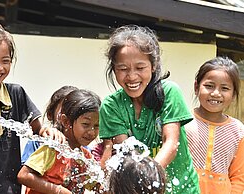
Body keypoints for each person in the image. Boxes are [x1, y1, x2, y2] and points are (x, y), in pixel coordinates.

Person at [98, 25, 200, 193]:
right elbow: (126, 154)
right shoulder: (111, 105)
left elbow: (171, 144)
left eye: (140, 68)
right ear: (113, 69)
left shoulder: (169, 93)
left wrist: (148, 178)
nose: (131, 76)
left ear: (153, 66)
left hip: (181, 189)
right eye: (123, 69)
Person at [0, 23, 64, 194]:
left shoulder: (15, 94)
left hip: (8, 189)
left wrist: (50, 132)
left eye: (5, 61)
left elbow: (38, 131)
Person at [17, 89, 101, 194]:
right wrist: (58, 190)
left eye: (96, 126)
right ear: (66, 121)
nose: (92, 132)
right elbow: (23, 176)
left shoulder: (85, 157)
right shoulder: (53, 149)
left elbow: (96, 186)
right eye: (86, 124)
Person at [185, 57, 244, 193]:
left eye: (224, 88)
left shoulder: (238, 131)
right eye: (209, 86)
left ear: (234, 94)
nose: (216, 93)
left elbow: (239, 177)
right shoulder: (183, 122)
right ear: (196, 87)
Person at [21, 85, 78, 164]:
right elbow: (24, 173)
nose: (69, 115)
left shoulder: (82, 148)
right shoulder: (39, 141)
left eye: (75, 111)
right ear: (50, 114)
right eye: (65, 110)